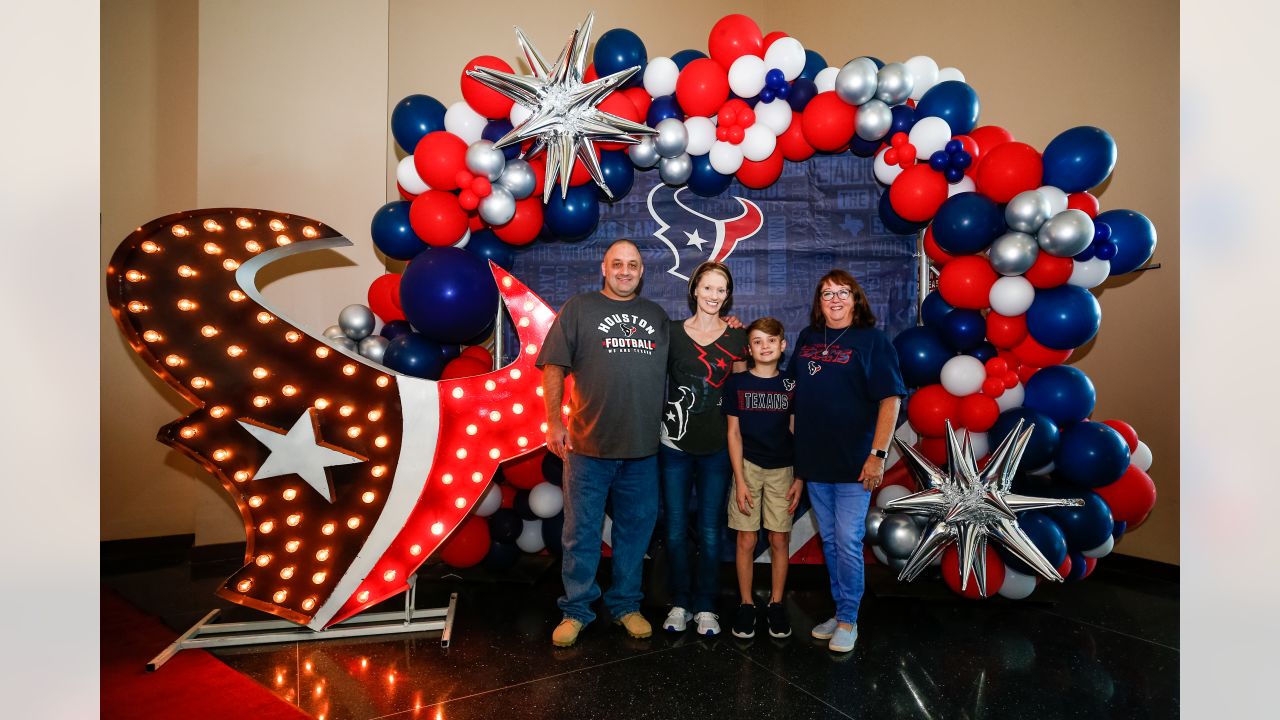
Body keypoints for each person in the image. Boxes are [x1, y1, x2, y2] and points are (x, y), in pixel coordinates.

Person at [537, 239, 671, 648]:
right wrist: (553, 421)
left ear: (642, 271)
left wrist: (731, 329)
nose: (625, 271)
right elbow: (553, 367)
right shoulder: (579, 308)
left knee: (635, 533)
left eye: (633, 264)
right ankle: (576, 610)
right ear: (604, 268)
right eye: (618, 264)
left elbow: (695, 348)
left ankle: (627, 605)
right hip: (587, 448)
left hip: (643, 451)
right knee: (580, 533)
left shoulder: (656, 316)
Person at [789, 269, 905, 653]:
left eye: (843, 293)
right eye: (827, 293)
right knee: (832, 544)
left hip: (856, 462)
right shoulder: (808, 338)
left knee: (847, 540)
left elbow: (891, 399)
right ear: (818, 303)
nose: (835, 299)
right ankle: (840, 611)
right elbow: (792, 390)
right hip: (815, 462)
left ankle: (848, 620)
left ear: (856, 300)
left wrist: (877, 455)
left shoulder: (873, 342)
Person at [658, 261, 746, 637]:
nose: (713, 295)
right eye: (707, 288)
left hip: (717, 449)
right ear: (695, 290)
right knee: (676, 529)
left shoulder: (737, 337)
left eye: (721, 289)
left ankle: (706, 605)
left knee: (711, 530)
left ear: (728, 295)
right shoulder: (672, 333)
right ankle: (680, 602)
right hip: (674, 445)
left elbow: (745, 396)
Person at [723, 317, 801, 639]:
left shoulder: (792, 385)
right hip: (748, 468)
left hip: (784, 471)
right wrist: (740, 480)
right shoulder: (737, 383)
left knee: (779, 538)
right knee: (746, 539)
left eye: (771, 341)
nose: (765, 346)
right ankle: (745, 604)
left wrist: (801, 478)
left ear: (782, 346)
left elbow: (799, 433)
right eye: (757, 341)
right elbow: (733, 433)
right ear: (750, 348)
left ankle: (777, 604)